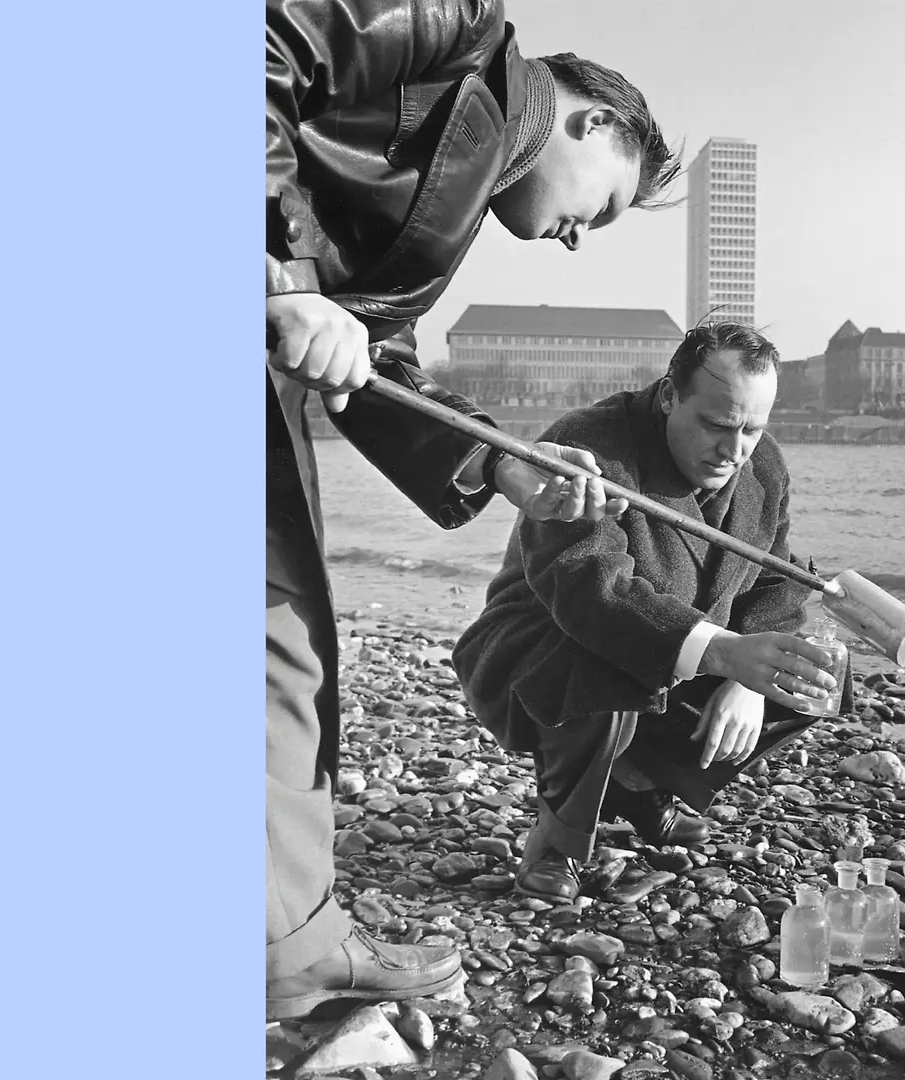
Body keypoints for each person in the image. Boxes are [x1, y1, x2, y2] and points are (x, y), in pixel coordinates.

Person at [265, 0, 681, 1022]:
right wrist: (274, 265)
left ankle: (286, 943)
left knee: (285, 651)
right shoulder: (455, 20)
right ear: (597, 124)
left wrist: (503, 467)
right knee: (280, 648)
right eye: (611, 207)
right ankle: (288, 948)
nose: (586, 244)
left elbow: (374, 354)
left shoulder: (450, 218)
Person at [453, 324, 846, 903]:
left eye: (752, 429)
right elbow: (589, 588)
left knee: (817, 672)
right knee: (605, 660)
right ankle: (556, 841)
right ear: (669, 396)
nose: (733, 451)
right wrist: (727, 654)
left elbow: (774, 578)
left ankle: (639, 785)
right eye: (715, 425)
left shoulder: (762, 465)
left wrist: (751, 679)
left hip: (675, 654)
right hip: (541, 648)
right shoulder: (587, 445)